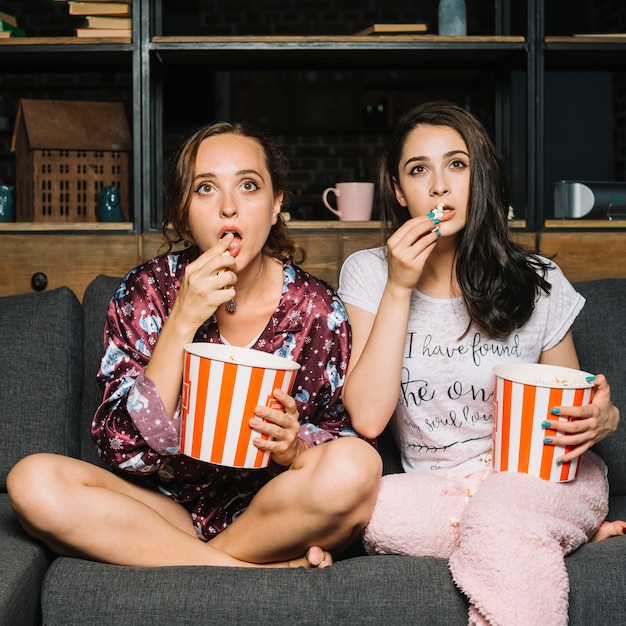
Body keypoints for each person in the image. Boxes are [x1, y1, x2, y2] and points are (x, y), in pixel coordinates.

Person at [7, 121, 381, 569]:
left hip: (270, 514)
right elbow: (122, 451)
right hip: (163, 513)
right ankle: (244, 572)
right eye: (206, 188)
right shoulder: (147, 291)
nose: (228, 208)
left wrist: (293, 447)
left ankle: (198, 563)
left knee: (359, 466)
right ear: (183, 211)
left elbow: (340, 444)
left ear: (276, 203)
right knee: (32, 481)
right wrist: (183, 317)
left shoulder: (318, 310)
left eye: (248, 186)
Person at [338, 101, 624, 624]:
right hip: (435, 487)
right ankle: (547, 533)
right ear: (400, 193)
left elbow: (568, 402)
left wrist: (605, 417)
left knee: (502, 513)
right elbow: (369, 418)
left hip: (541, 477)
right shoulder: (371, 272)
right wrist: (401, 287)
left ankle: (537, 523)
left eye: (457, 164)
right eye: (418, 170)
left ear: (480, 176)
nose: (439, 186)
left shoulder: (537, 278)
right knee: (361, 510)